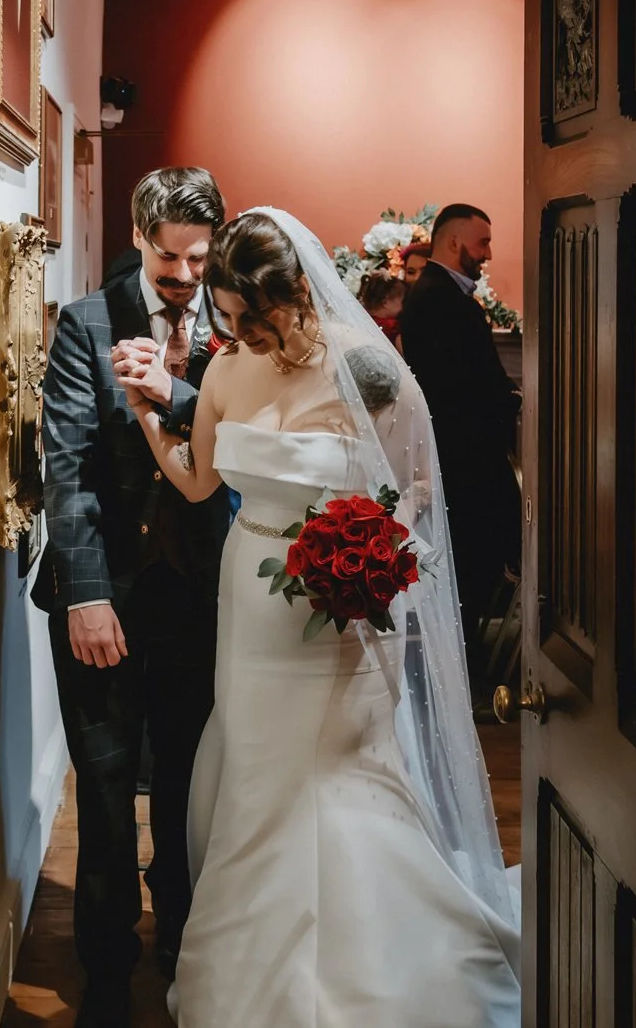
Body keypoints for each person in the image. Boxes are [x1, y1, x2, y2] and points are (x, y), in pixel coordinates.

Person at [115, 209, 519, 1027]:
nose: (234, 330)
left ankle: (374, 967)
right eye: (225, 316)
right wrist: (144, 412)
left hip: (341, 609)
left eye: (247, 314)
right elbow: (196, 481)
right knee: (260, 769)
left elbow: (419, 488)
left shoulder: (370, 366)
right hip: (252, 599)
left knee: (341, 767)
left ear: (293, 293)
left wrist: (367, 545)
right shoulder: (228, 371)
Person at [36, 168, 233, 1026]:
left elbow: (257, 439)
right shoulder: (86, 323)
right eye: (168, 256)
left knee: (197, 786)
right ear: (138, 231)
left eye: (201, 255)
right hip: (107, 593)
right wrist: (85, 597)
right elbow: (68, 468)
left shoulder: (240, 319)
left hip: (208, 602)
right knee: (109, 793)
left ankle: (188, 945)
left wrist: (173, 393)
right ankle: (107, 970)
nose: (187, 275)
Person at [397, 205, 521, 689]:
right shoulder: (442, 301)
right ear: (454, 243)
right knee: (469, 568)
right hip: (462, 459)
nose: (488, 253)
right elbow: (463, 386)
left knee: (470, 567)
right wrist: (509, 401)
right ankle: (463, 677)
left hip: (459, 454)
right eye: (482, 242)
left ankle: (463, 671)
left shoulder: (436, 295)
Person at [357, 270, 406, 348]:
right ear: (385, 302)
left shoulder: (362, 322)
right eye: (402, 301)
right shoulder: (392, 327)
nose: (403, 306)